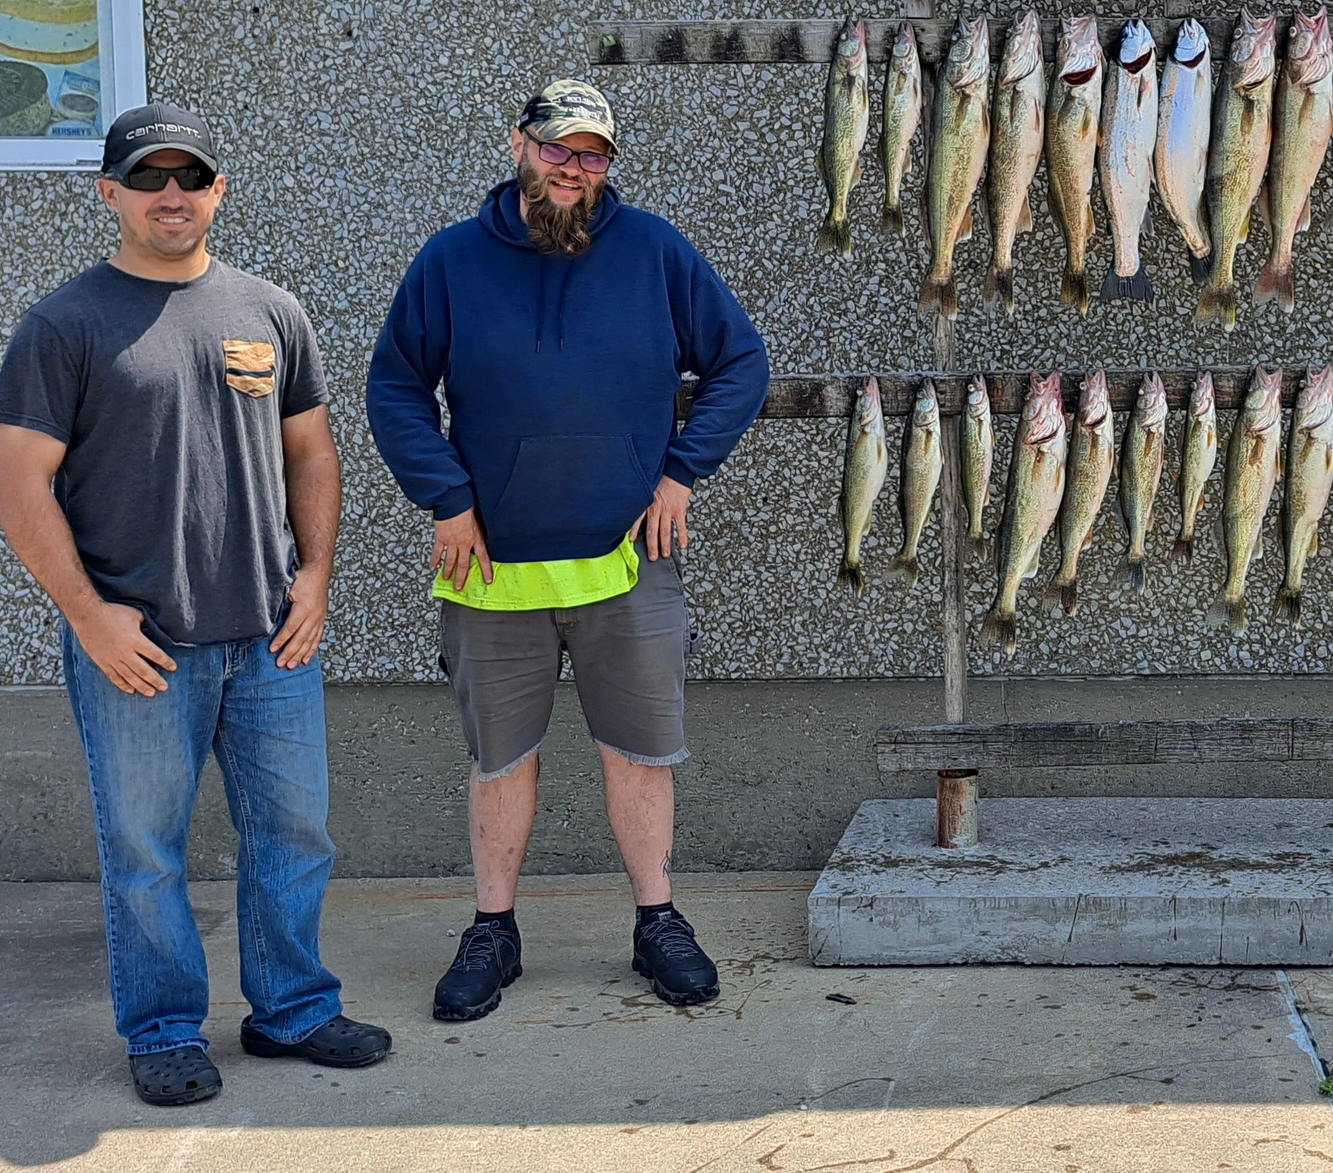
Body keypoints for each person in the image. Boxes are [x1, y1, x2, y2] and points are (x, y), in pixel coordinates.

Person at [0, 104, 391, 1107]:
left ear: (219, 190)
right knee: (144, 855)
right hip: (139, 644)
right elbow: (18, 484)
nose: (169, 194)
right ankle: (166, 1029)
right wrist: (89, 617)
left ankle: (292, 1010)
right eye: (147, 177)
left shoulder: (270, 310)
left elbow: (311, 453)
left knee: (295, 837)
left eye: (189, 177)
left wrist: (316, 578)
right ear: (110, 193)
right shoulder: (63, 325)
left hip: (269, 636)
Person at [366, 80, 769, 1021]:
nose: (572, 168)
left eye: (591, 155)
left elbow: (739, 361)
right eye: (557, 148)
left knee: (639, 752)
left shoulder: (654, 251)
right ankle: (493, 930)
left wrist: (681, 475)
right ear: (519, 144)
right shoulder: (451, 260)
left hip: (627, 562)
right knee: (499, 758)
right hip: (489, 567)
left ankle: (658, 921)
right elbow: (395, 386)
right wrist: (446, 499)